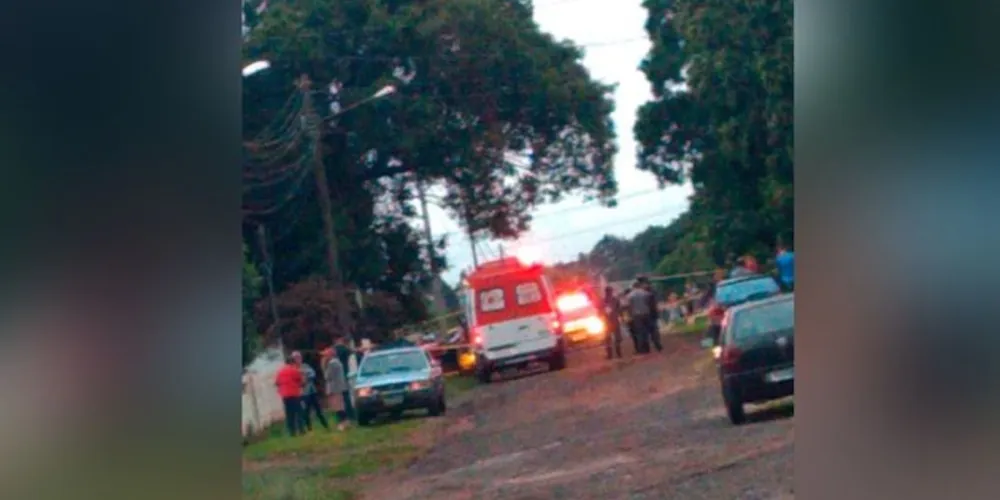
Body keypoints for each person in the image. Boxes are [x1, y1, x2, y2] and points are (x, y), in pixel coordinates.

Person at [292, 351, 329, 432]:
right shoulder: (293, 368)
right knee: (306, 412)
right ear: (294, 359)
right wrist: (303, 375)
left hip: (312, 391)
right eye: (296, 358)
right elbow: (296, 379)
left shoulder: (305, 365)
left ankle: (326, 426)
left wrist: (305, 375)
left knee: (318, 410)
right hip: (303, 393)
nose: (299, 359)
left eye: (299, 357)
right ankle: (309, 429)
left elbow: (313, 373)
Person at [274, 355, 306, 437]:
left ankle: (292, 432)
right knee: (298, 412)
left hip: (285, 396)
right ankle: (301, 430)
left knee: (289, 414)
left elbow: (277, 383)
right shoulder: (294, 370)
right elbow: (302, 382)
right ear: (292, 362)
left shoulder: (280, 371)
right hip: (294, 394)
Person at [323, 347, 350, 431]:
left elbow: (327, 376)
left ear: (330, 355)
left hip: (334, 388)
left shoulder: (332, 363)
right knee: (340, 405)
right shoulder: (338, 362)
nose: (325, 357)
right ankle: (345, 422)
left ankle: (343, 423)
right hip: (339, 387)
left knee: (338, 406)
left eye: (326, 355)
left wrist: (324, 366)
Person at [332, 336, 356, 420]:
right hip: (343, 374)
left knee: (339, 398)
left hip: (335, 377)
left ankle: (341, 416)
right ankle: (350, 415)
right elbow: (353, 351)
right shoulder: (343, 349)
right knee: (346, 396)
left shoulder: (333, 350)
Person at [602, 286, 623, 359]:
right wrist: (621, 317)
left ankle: (610, 355)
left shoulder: (603, 301)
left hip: (607, 322)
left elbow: (600, 311)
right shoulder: (615, 300)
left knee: (608, 339)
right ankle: (618, 353)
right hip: (614, 320)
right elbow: (620, 310)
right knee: (616, 338)